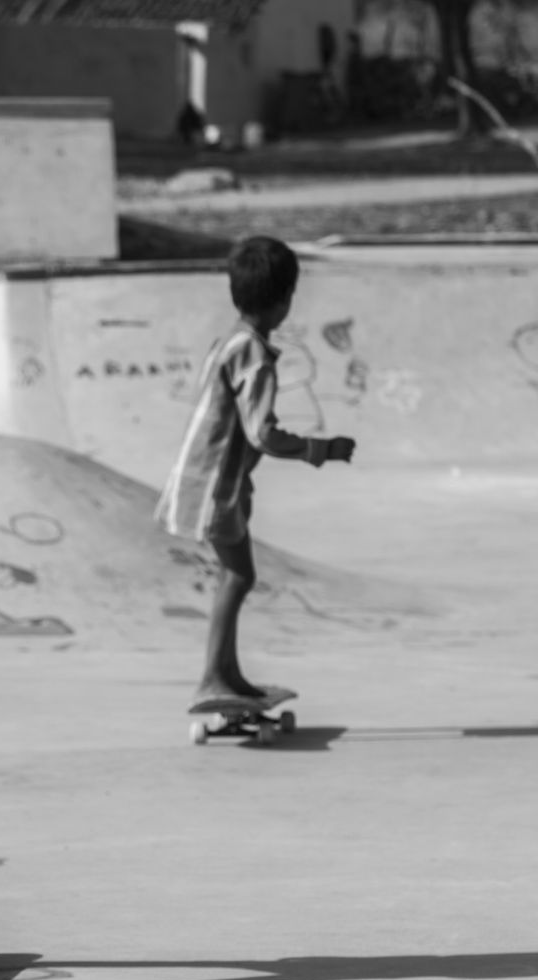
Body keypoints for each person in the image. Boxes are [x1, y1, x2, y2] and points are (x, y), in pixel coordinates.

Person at [156, 236, 356, 706]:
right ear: (286, 299)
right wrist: (319, 449)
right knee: (238, 577)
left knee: (237, 574)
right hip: (216, 487)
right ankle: (213, 677)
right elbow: (262, 432)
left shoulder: (229, 342)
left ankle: (229, 674)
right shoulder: (255, 356)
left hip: (213, 482)